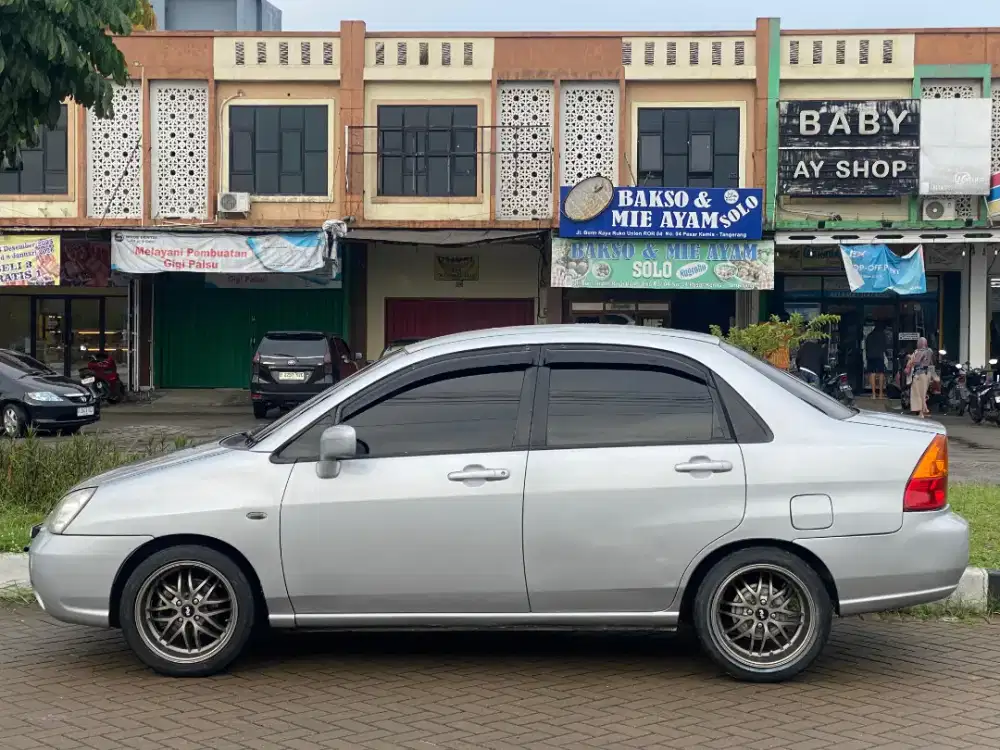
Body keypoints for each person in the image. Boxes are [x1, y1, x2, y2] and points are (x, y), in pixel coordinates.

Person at [906, 337, 934, 418]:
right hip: (927, 374)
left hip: (918, 375)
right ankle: (924, 410)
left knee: (917, 394)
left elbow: (916, 362)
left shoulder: (918, 351)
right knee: (923, 393)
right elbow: (932, 363)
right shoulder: (930, 351)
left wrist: (910, 358)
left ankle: (921, 412)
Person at [865, 324, 887, 400]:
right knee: (881, 373)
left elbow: (866, 347)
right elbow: (885, 347)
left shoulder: (869, 336)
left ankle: (873, 394)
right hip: (879, 356)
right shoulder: (882, 335)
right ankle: (881, 394)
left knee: (872, 373)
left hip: (870, 357)